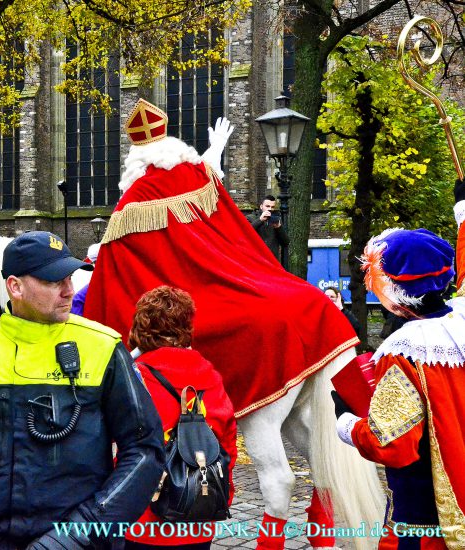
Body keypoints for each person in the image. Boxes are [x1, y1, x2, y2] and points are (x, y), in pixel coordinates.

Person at [82, 100, 358, 548]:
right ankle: (323, 531)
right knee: (311, 437)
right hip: (260, 295)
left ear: (135, 156)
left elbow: (115, 285)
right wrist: (212, 161)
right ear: (171, 143)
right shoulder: (197, 176)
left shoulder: (131, 201)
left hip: (186, 317)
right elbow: (229, 236)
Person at [0, 230, 164, 549]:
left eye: (69, 278)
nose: (68, 290)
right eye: (52, 280)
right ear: (15, 287)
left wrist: (78, 534)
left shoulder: (103, 347)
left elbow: (145, 447)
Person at [332, 184, 465, 547]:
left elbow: (391, 444)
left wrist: (346, 422)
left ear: (393, 290)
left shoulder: (404, 351)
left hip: (426, 524)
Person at [127, 286, 237, 550]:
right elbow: (227, 443)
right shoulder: (210, 376)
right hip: (197, 515)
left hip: (142, 520)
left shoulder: (134, 378)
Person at [246, 195, 289, 261]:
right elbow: (244, 232)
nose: (270, 209)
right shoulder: (250, 218)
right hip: (255, 260)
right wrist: (260, 220)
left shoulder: (276, 219)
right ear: (261, 206)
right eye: (267, 206)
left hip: (272, 261)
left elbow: (285, 242)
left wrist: (279, 228)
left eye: (272, 207)